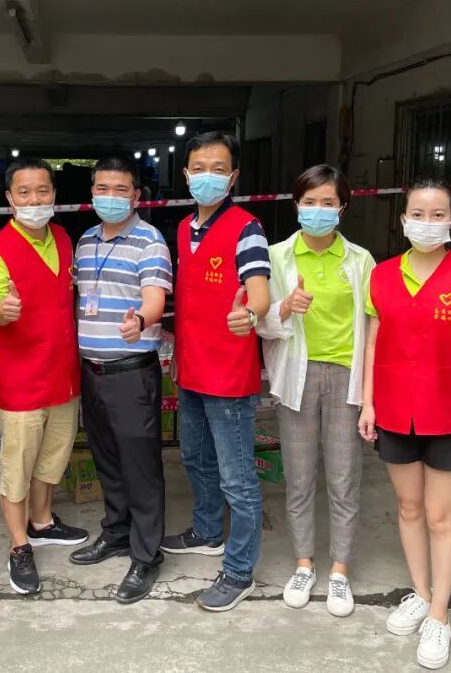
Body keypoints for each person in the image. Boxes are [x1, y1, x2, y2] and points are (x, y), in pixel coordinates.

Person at [359, 178, 451, 670]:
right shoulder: (382, 275)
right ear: (404, 219)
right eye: (418, 213)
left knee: (440, 516)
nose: (428, 222)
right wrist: (368, 404)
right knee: (409, 507)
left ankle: (439, 615)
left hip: (450, 410)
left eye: (438, 215)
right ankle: (420, 593)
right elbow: (373, 342)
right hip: (395, 408)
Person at [256, 164, 375, 618]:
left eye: (328, 202)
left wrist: (371, 393)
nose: (318, 210)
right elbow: (261, 324)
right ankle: (304, 564)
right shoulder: (277, 256)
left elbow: (373, 328)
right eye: (310, 202)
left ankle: (340, 570)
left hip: (345, 377)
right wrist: (286, 307)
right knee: (300, 476)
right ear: (296, 205)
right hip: (296, 377)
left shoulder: (360, 261)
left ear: (343, 208)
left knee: (343, 478)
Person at [162, 131, 271, 612]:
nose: (208, 177)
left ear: (234, 176)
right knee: (195, 458)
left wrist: (249, 313)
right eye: (200, 168)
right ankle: (207, 532)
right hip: (191, 367)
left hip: (228, 374)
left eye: (219, 169)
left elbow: (259, 290)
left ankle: (240, 570)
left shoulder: (247, 228)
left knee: (237, 478)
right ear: (186, 174)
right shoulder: (185, 228)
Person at [0, 158, 88, 595]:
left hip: (63, 373)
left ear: (54, 195)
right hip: (21, 379)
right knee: (17, 467)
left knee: (53, 458)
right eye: (24, 192)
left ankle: (42, 522)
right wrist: (1, 310)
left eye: (43, 191)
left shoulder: (63, 238)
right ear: (9, 198)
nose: (34, 200)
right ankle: (19, 544)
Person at [69, 155, 173, 604]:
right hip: (91, 371)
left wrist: (141, 321)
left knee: (140, 466)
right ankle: (116, 531)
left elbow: (154, 298)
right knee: (107, 459)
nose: (110, 197)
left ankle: (146, 553)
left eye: (120, 189)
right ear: (92, 192)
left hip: (131, 372)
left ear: (136, 195)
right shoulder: (85, 240)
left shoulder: (149, 241)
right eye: (102, 188)